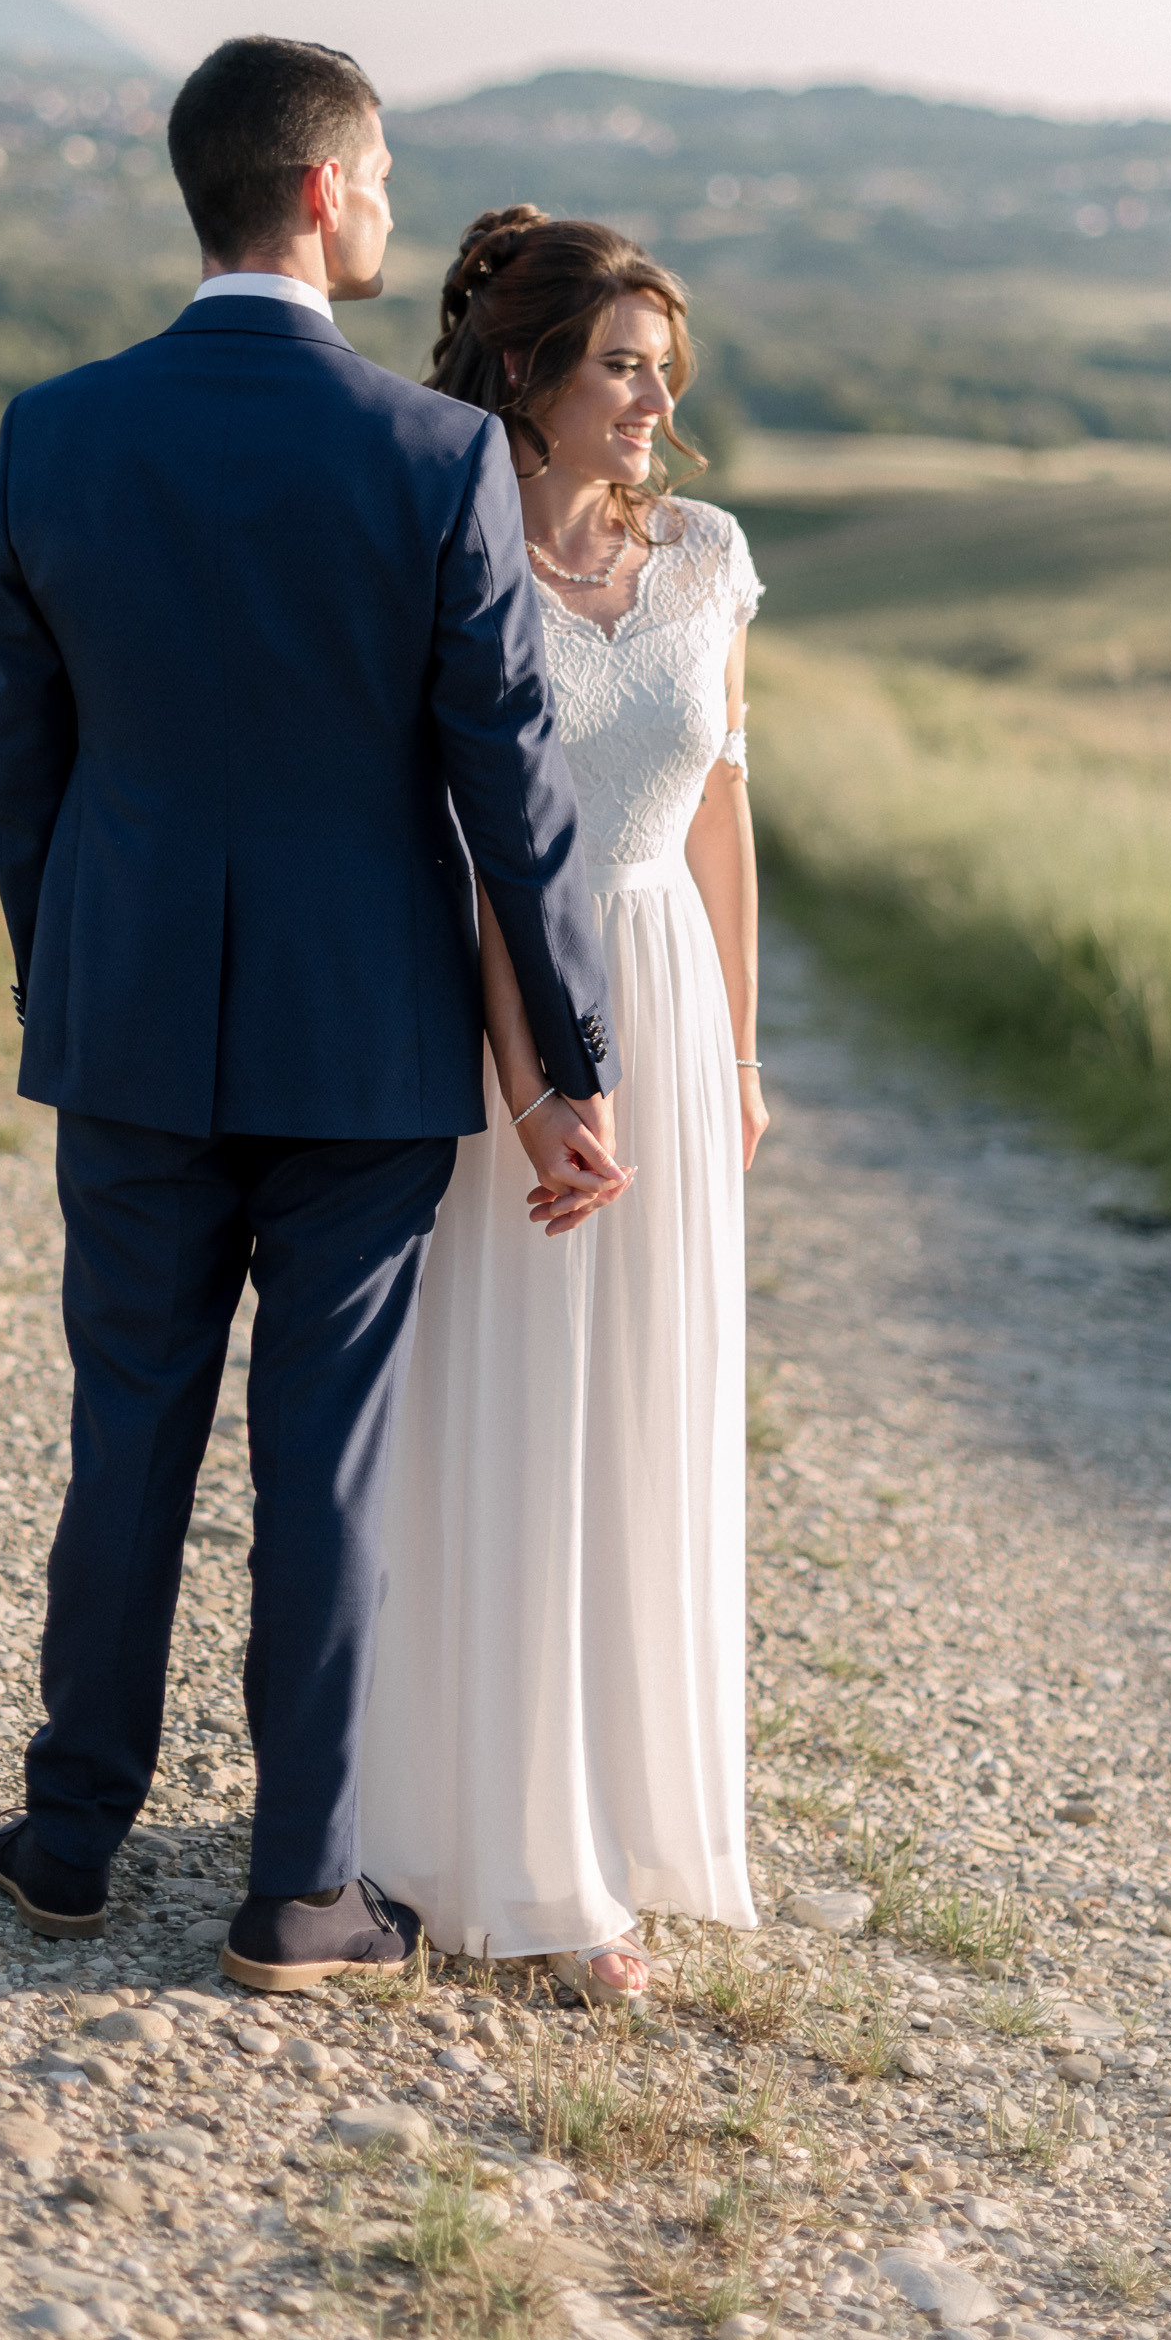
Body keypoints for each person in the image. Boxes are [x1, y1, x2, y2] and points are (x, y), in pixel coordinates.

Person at [0, 47, 631, 1993]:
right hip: (363, 1047)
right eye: (386, 176)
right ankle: (298, 1891)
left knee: (127, 1437)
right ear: (332, 195)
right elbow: (515, 793)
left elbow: (29, 770)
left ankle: (71, 1837)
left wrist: (63, 970)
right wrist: (568, 1069)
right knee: (317, 1461)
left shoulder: (53, 435)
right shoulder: (434, 466)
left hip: (133, 1027)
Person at [362, 208, 769, 2001]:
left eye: (665, 369)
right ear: (520, 373)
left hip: (666, 999)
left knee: (646, 1406)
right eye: (620, 363)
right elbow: (440, 837)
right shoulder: (441, 552)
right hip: (491, 1012)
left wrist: (742, 1063)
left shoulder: (708, 554)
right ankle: (504, 1844)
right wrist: (532, 1076)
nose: (653, 397)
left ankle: (633, 1815)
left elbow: (726, 814)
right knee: (512, 1402)